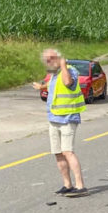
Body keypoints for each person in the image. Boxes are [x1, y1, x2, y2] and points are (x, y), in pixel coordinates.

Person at [31, 49, 87, 197]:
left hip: (68, 118)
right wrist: (41, 87)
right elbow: (52, 87)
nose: (48, 62)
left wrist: (63, 64)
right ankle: (67, 184)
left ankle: (80, 186)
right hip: (54, 119)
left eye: (51, 58)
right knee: (58, 153)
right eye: (46, 60)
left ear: (59, 58)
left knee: (68, 151)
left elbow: (68, 83)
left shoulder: (69, 71)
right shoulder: (54, 76)